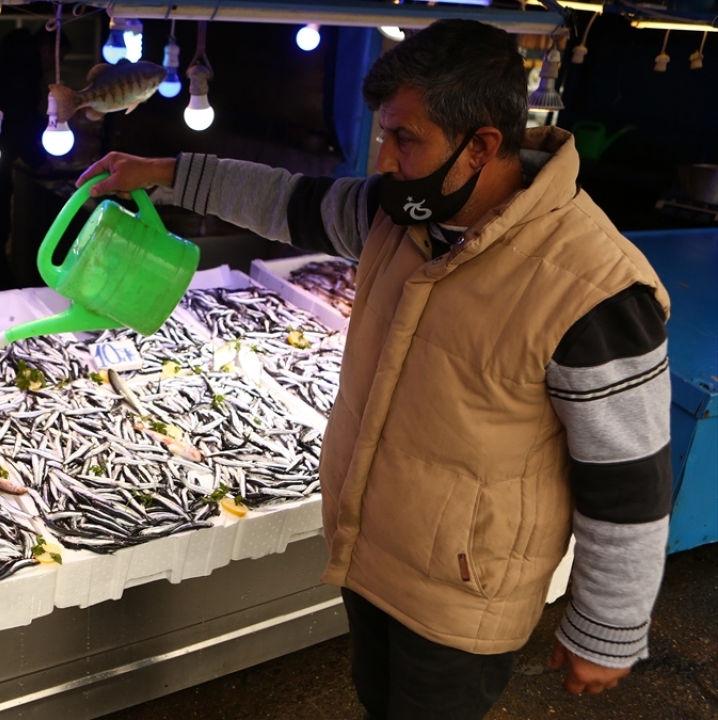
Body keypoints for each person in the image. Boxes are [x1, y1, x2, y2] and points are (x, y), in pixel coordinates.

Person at [79, 19, 671, 720]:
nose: (383, 160)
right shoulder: (403, 213)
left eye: (406, 139)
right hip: (372, 554)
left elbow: (629, 484)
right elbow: (285, 200)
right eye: (384, 134)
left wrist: (606, 632)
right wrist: (169, 174)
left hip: (462, 597)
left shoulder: (592, 287)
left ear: (482, 145)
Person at [0, 27, 66, 291]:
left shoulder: (12, 65)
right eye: (58, 57)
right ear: (47, 49)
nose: (57, 65)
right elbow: (20, 121)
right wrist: (38, 159)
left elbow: (23, 118)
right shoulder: (20, 71)